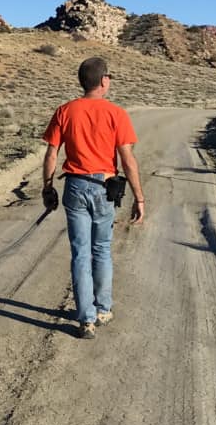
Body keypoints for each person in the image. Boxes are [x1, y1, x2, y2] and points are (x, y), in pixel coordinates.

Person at [41, 56, 144, 339]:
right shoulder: (117, 114)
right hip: (104, 187)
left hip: (74, 186)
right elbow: (127, 159)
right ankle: (103, 309)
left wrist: (48, 187)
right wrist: (139, 198)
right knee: (101, 250)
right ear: (104, 81)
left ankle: (85, 319)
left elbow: (52, 153)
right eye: (109, 76)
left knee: (80, 253)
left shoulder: (65, 111)